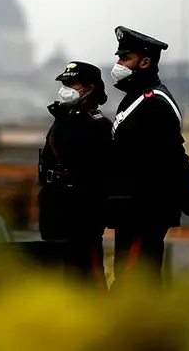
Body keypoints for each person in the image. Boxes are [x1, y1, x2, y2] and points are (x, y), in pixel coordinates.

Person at [106, 26, 189, 289]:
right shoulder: (134, 98)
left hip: (146, 207)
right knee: (127, 272)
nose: (118, 65)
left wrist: (187, 195)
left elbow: (174, 155)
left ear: (145, 62)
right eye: (119, 58)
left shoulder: (155, 102)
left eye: (125, 59)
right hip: (128, 206)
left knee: (137, 276)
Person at [37, 61, 113, 289]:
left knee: (85, 274)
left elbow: (103, 173)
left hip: (81, 212)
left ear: (89, 89)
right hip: (54, 205)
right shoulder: (63, 118)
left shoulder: (97, 125)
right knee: (56, 273)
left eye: (71, 83)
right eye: (64, 83)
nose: (65, 88)